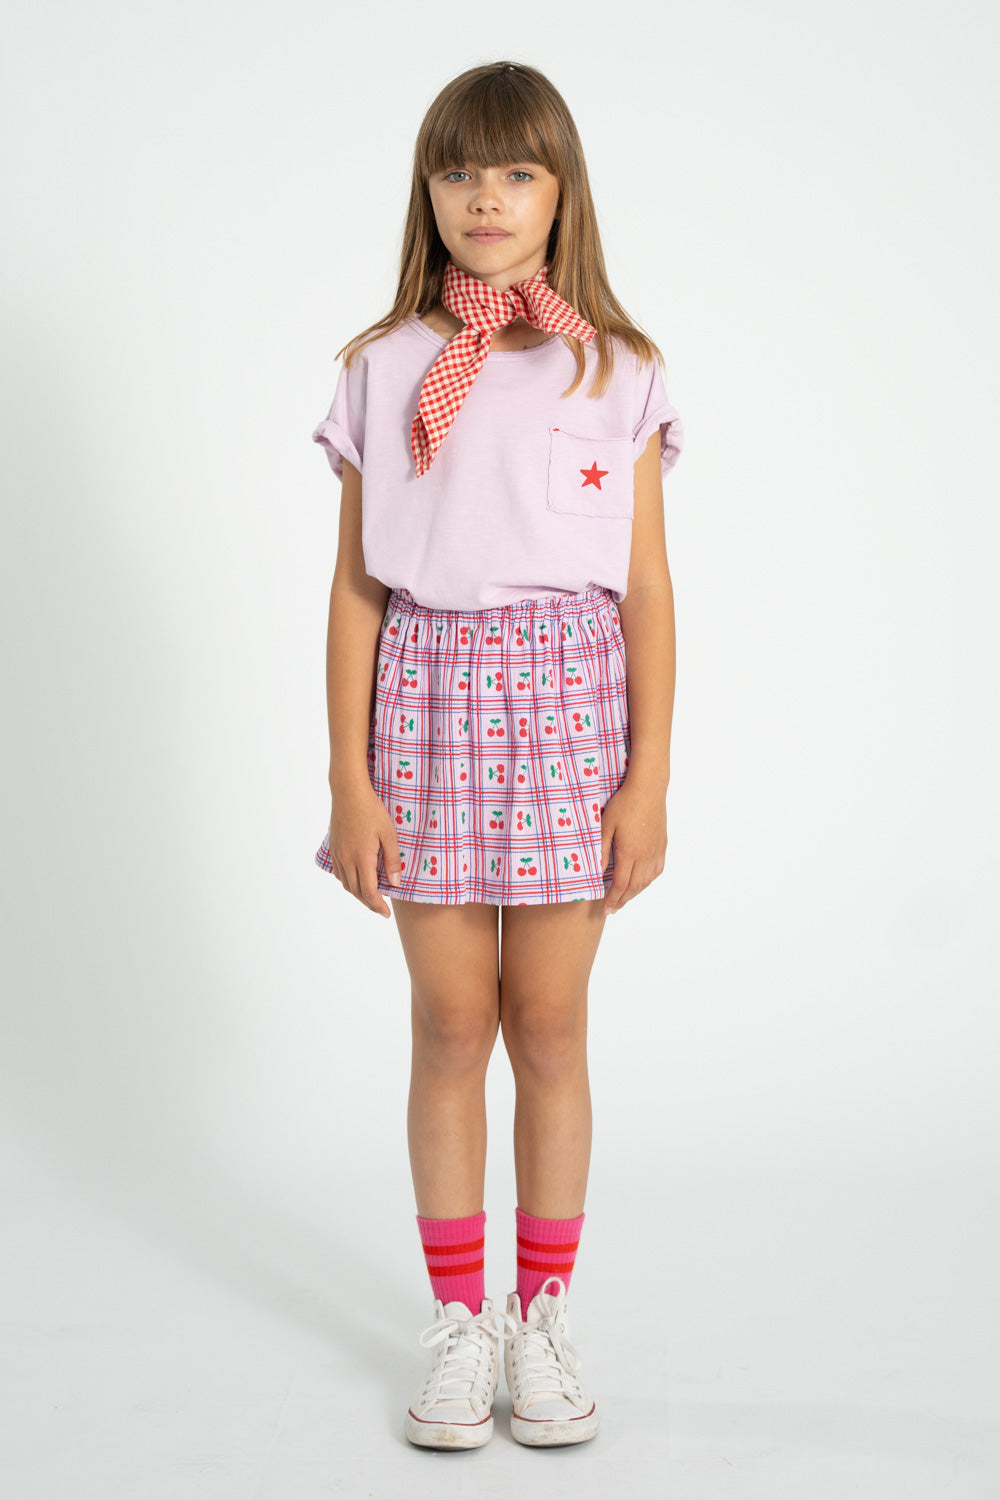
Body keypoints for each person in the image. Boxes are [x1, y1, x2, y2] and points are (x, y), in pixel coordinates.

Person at [309, 60, 683, 1451]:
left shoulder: (616, 366)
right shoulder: (382, 366)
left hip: (571, 715)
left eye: (518, 172)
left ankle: (545, 1315)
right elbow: (358, 587)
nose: (486, 196)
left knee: (552, 1023)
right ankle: (461, 1323)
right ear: (428, 191)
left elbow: (646, 590)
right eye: (460, 170)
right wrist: (350, 779)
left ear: (561, 193)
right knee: (452, 1024)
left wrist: (647, 778)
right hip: (427, 708)